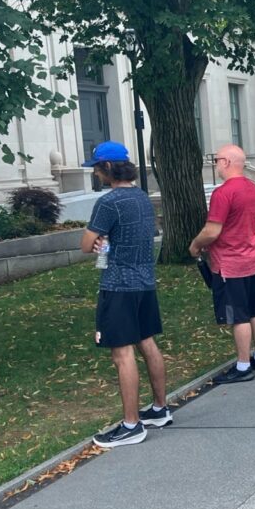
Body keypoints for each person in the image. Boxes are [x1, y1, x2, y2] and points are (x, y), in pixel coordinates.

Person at [81, 141, 170, 447]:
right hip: (145, 282)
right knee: (147, 341)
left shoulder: (109, 202)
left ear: (107, 168)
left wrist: (98, 242)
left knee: (122, 353)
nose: (94, 173)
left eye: (95, 167)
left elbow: (86, 243)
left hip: (118, 285)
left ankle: (132, 425)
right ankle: (159, 408)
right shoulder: (142, 198)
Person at [189, 144, 255, 384]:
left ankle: (243, 365)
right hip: (252, 258)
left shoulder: (222, 193)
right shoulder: (253, 189)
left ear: (226, 162)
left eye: (216, 160)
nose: (216, 165)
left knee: (239, 316)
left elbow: (212, 230)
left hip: (229, 263)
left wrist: (195, 245)